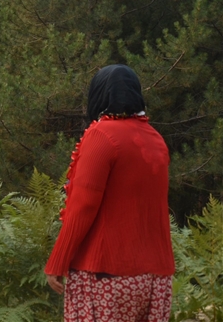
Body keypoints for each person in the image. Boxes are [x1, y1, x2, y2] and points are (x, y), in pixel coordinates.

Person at [45, 64, 175, 321]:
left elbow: (83, 206)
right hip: (156, 280)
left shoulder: (101, 136)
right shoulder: (155, 139)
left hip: (104, 275)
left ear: (99, 95)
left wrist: (57, 262)